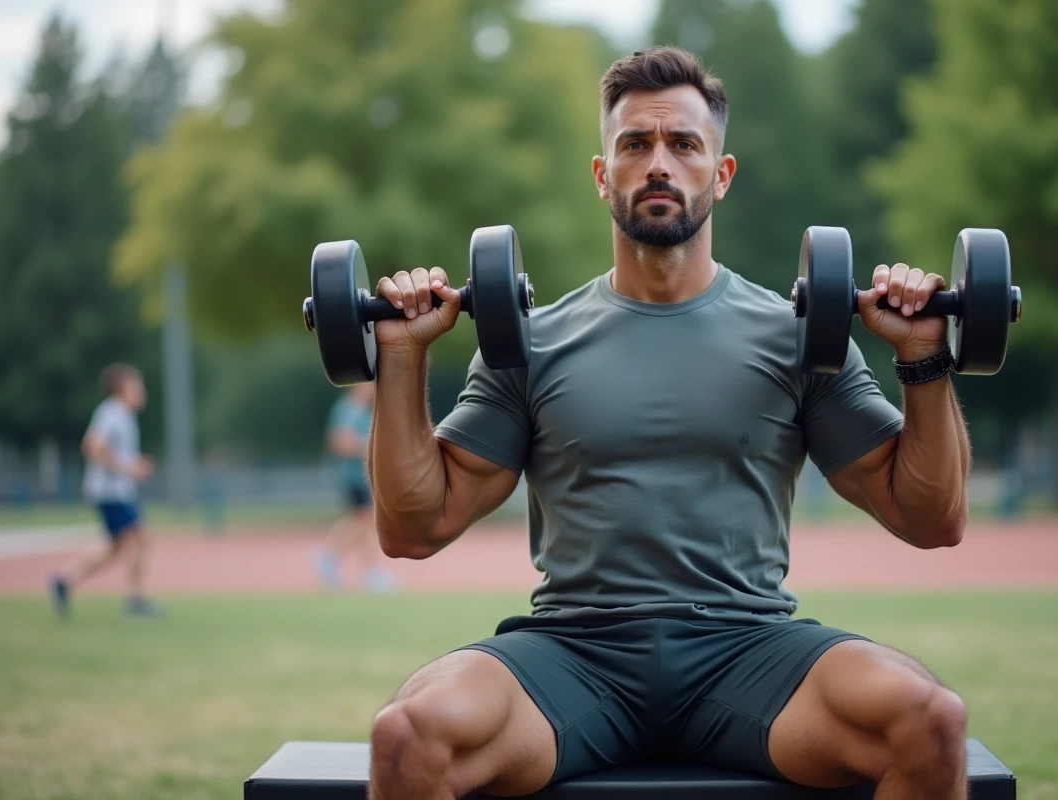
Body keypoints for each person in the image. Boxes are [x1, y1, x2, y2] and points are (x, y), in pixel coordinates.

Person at [366, 48, 972, 799]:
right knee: (409, 736)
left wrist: (923, 356)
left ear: (721, 174)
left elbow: (930, 517)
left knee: (929, 722)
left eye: (684, 144)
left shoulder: (799, 338)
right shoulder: (528, 345)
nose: (659, 163)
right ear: (602, 175)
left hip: (748, 649)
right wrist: (401, 358)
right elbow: (414, 527)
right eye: (635, 144)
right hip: (574, 654)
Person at [50, 363, 163, 618]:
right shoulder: (113, 413)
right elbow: (93, 446)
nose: (141, 390)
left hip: (115, 491)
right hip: (111, 491)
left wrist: (134, 464)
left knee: (115, 546)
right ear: (121, 388)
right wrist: (127, 468)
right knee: (141, 537)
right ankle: (135, 600)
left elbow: (111, 451)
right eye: (136, 385)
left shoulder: (122, 415)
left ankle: (64, 582)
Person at [313, 383, 394, 592]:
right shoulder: (349, 408)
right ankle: (336, 558)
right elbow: (340, 442)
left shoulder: (362, 410)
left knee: (365, 524)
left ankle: (352, 565)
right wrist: (370, 447)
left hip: (363, 477)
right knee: (367, 520)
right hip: (352, 477)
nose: (373, 389)